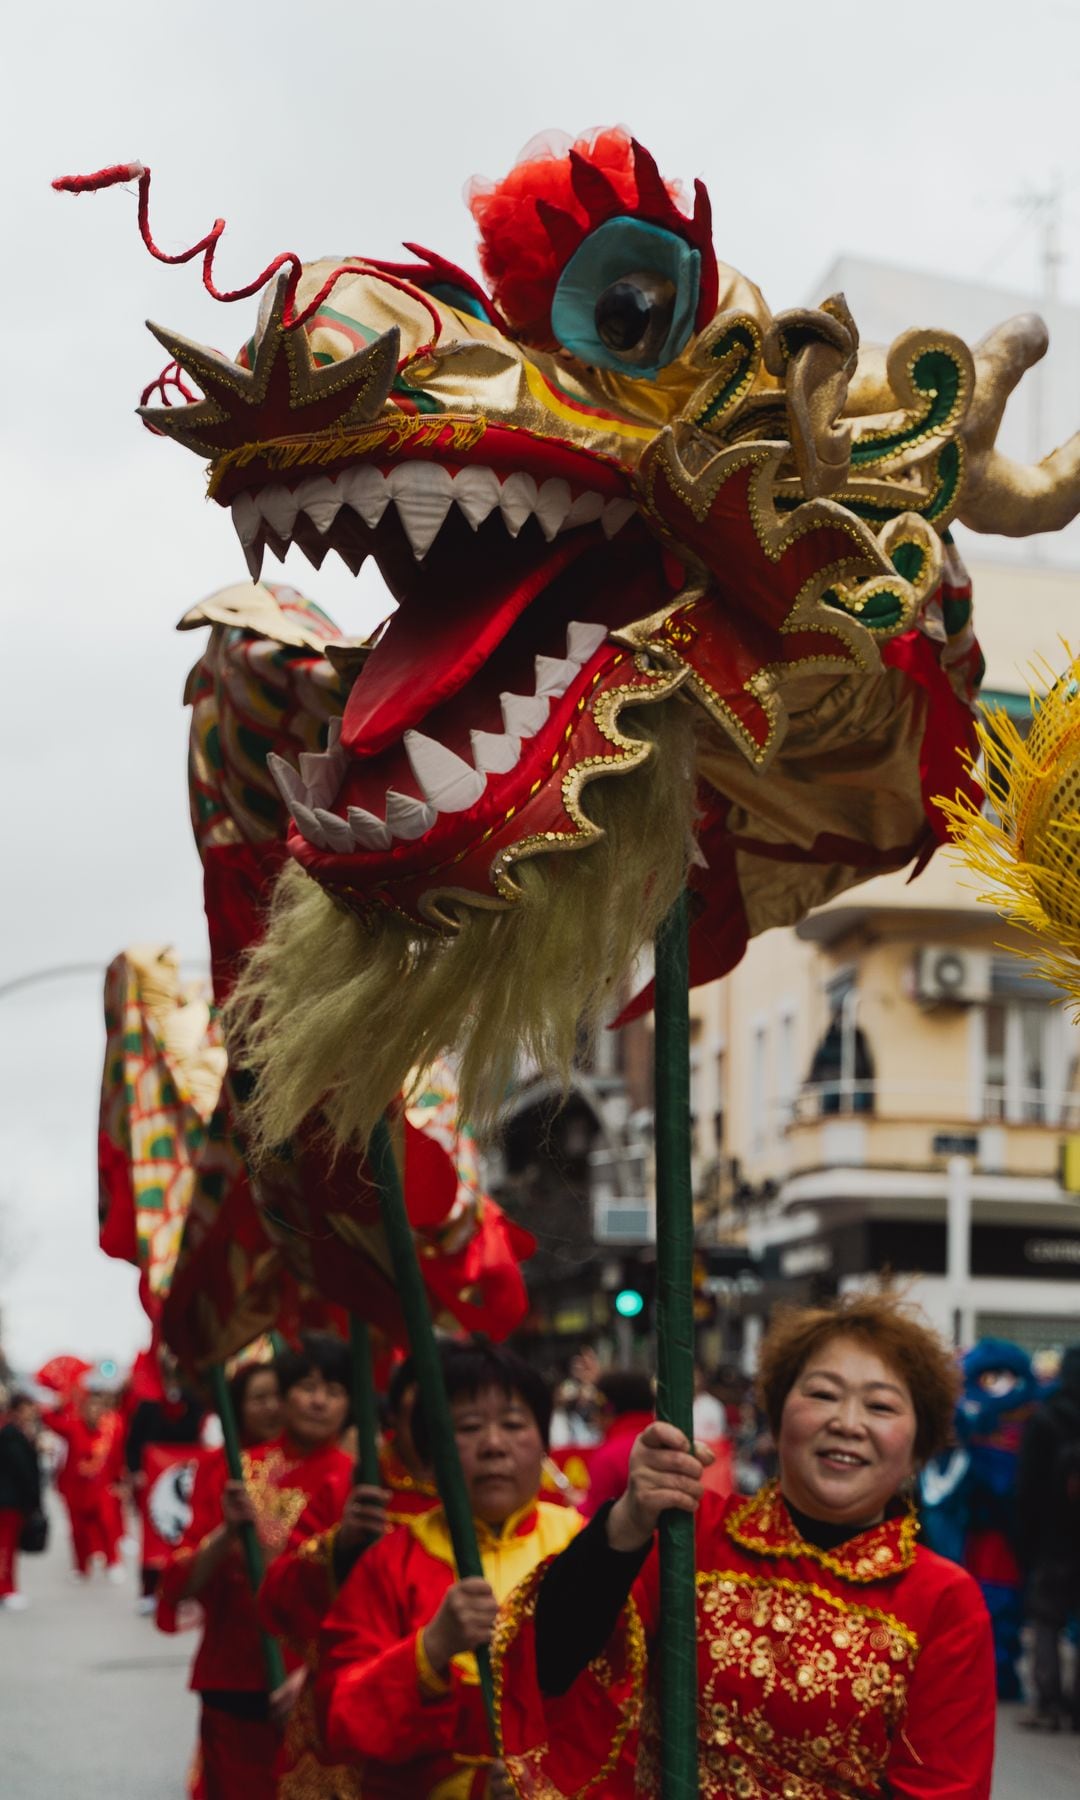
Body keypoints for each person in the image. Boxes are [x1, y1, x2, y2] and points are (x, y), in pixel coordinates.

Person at [495, 1291, 996, 1800]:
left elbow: (945, 1787)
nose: (847, 1422)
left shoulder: (943, 1599)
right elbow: (551, 1661)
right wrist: (626, 1520)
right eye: (823, 1394)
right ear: (777, 1421)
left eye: (881, 1406)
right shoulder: (688, 1535)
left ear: (918, 1446)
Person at [318, 1340, 583, 1800]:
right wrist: (431, 1648)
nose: (494, 1446)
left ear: (543, 1442)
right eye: (469, 1427)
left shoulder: (585, 1549)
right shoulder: (391, 1561)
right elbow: (340, 1720)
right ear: (427, 1454)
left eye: (514, 1424)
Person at [158, 1338, 350, 1800]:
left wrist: (317, 1670)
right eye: (307, 1387)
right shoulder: (233, 1470)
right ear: (282, 1397)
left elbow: (357, 1594)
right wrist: (225, 1534)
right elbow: (179, 1582)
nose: (320, 1400)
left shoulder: (355, 1478)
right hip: (233, 1678)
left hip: (314, 1686)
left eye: (335, 1390)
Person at [257, 1356, 438, 1798]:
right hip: (358, 1723)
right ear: (394, 1413)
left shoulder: (507, 1495)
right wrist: (342, 1545)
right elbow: (278, 1596)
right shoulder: (353, 1490)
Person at [1016, 1341, 1080, 1731]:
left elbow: (1027, 1490)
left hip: (1053, 1541)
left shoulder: (1046, 1420)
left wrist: (1027, 1542)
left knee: (1045, 1622)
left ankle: (1048, 1703)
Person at [50, 1383, 125, 1580]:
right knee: (78, 1530)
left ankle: (113, 1562)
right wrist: (60, 1402)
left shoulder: (109, 1430)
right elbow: (49, 1420)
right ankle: (81, 1566)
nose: (93, 1411)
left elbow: (116, 1457)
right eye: (89, 1407)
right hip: (76, 1490)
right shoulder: (73, 1427)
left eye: (97, 1408)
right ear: (83, 1410)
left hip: (102, 1488)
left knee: (107, 1525)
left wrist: (119, 1481)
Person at [578, 1370, 654, 1521]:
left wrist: (580, 1505)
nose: (595, 1417)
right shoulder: (669, 1442)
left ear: (608, 1409)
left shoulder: (607, 1457)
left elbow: (595, 1519)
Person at [0, 1394, 43, 1611]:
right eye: (28, 1407)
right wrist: (33, 1499)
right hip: (9, 1501)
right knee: (5, 1548)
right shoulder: (11, 1434)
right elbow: (23, 1471)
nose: (32, 1411)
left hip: (13, 1500)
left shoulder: (19, 1433)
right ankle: (6, 1589)